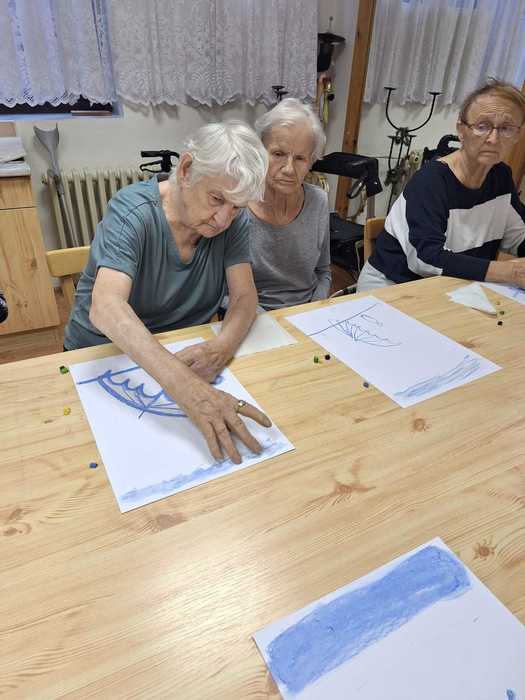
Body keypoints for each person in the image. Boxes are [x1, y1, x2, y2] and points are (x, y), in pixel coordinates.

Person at [64, 121, 272, 464]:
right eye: (217, 199)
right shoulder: (132, 212)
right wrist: (187, 388)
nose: (223, 220)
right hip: (104, 357)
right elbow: (106, 306)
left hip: (179, 353)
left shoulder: (232, 222)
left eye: (236, 207)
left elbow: (244, 297)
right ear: (186, 170)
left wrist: (221, 348)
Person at [357, 79, 525, 292]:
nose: (493, 139)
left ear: (518, 134)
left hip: (457, 287)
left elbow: (518, 236)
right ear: (461, 130)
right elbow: (427, 259)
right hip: (395, 286)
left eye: (506, 128)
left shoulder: (501, 177)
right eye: (482, 126)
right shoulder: (431, 181)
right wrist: (510, 272)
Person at [248, 97, 331, 309]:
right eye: (278, 154)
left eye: (300, 158)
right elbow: (222, 289)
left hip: (306, 311)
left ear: (311, 161)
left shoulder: (318, 201)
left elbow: (323, 272)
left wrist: (314, 309)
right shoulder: (237, 206)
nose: (288, 169)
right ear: (260, 152)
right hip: (252, 313)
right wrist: (267, 321)